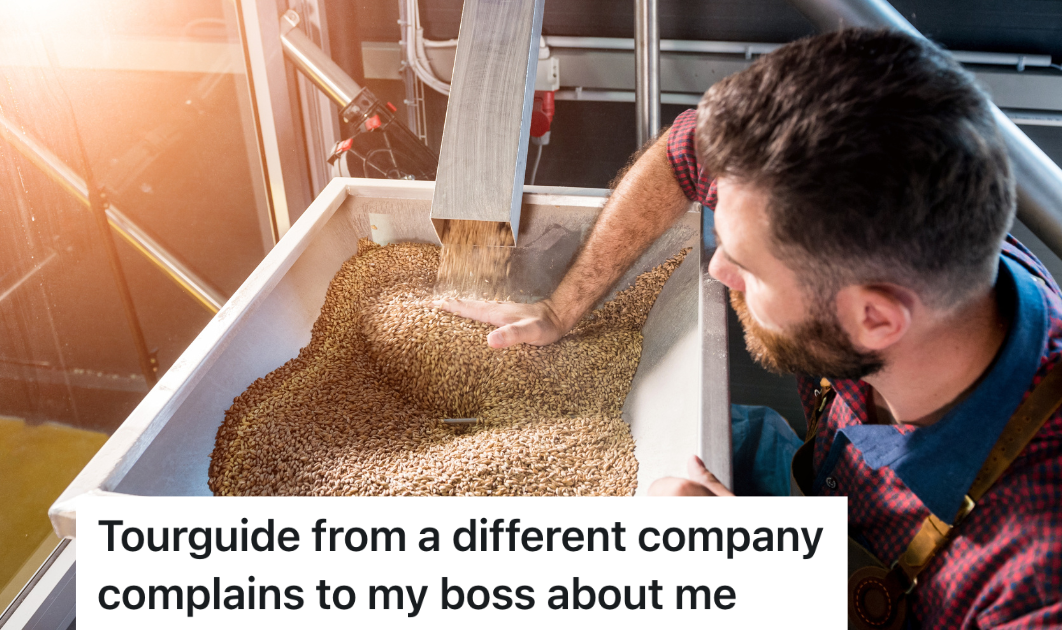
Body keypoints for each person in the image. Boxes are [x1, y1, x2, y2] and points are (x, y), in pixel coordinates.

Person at [436, 28, 1061, 628]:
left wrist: (751, 581)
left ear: (874, 317)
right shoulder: (896, 220)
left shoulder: (1029, 578)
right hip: (824, 486)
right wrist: (560, 307)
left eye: (749, 267)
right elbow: (690, 151)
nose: (717, 268)